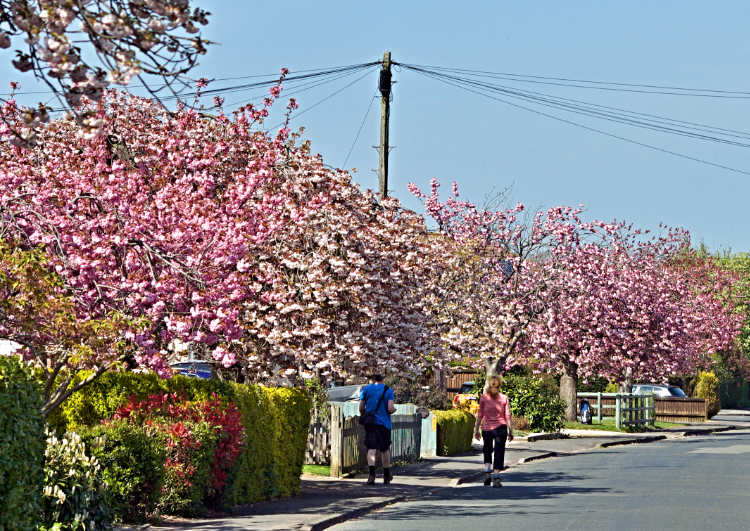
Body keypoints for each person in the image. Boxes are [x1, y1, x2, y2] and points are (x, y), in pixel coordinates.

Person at [474, 374, 513, 488]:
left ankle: (487, 471)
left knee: (487, 450)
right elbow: (507, 415)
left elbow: (480, 414)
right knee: (499, 452)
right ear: (499, 385)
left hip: (486, 428)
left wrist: (476, 429)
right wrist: (511, 430)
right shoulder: (504, 398)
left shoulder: (484, 398)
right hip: (500, 427)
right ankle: (496, 478)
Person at [359, 374, 397, 485]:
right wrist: (394, 409)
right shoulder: (388, 390)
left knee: (371, 448)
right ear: (384, 378)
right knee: (384, 449)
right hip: (384, 424)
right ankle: (386, 475)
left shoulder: (366, 389)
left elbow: (361, 408)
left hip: (370, 424)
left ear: (373, 377)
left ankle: (371, 475)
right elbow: (390, 408)